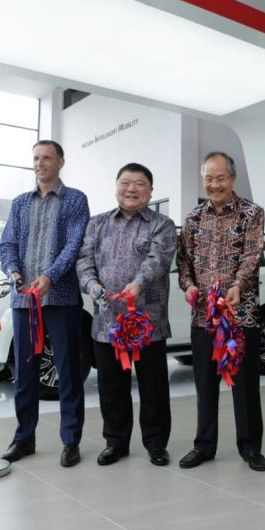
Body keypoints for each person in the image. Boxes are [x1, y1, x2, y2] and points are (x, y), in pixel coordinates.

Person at [76, 163, 176, 467]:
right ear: (116, 186)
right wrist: (91, 285)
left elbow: (158, 261)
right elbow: (83, 260)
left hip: (147, 321)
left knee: (153, 386)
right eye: (125, 183)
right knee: (111, 386)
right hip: (107, 321)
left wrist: (137, 285)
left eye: (139, 184)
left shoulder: (162, 225)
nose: (131, 189)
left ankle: (156, 444)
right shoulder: (97, 224)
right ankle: (116, 442)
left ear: (150, 191)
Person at [0, 140, 90, 467]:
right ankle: (24, 438)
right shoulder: (20, 203)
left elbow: (74, 244)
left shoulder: (75, 199)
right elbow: (7, 244)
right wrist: (13, 271)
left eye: (47, 158)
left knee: (68, 371)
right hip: (24, 300)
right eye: (36, 158)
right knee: (24, 374)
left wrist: (50, 276)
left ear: (61, 162)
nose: (40, 163)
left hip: (61, 299)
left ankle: (71, 440)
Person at [176, 151, 265, 472]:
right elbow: (183, 261)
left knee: (245, 385)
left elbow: (252, 255)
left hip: (240, 315)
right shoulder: (193, 218)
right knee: (205, 384)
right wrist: (188, 285)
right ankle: (204, 445)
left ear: (233, 178)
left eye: (221, 178)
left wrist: (238, 285)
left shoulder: (252, 213)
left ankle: (250, 447)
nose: (214, 184)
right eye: (209, 178)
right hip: (203, 316)